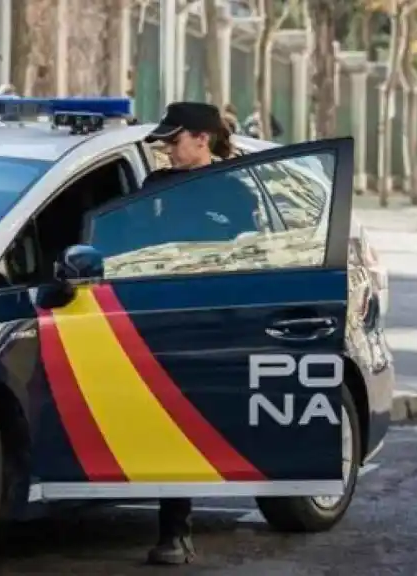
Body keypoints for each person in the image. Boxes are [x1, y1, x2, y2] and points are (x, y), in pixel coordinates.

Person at [138, 101, 254, 566]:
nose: (166, 149)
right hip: (153, 316)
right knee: (162, 424)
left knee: (192, 423)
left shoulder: (236, 193)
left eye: (174, 140)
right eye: (164, 141)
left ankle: (179, 529)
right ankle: (171, 529)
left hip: (210, 321)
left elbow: (252, 256)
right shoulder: (155, 186)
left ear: (202, 139)